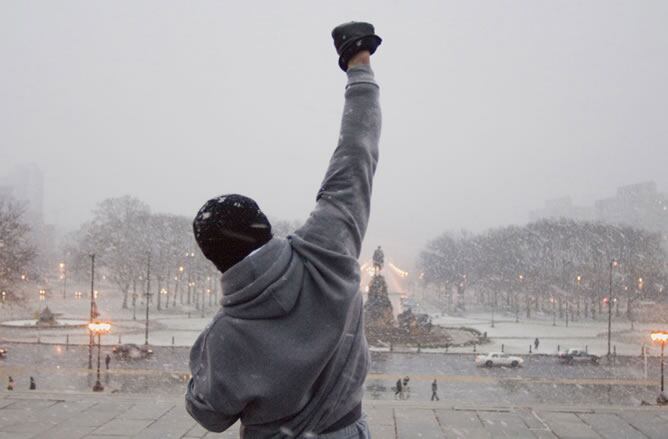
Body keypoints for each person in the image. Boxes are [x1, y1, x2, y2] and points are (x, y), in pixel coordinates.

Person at [185, 22, 382, 438]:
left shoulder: (226, 336)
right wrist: (358, 64)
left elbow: (209, 414)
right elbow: (356, 151)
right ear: (265, 225)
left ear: (214, 259)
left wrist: (204, 357)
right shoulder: (326, 249)